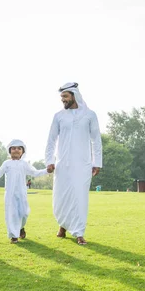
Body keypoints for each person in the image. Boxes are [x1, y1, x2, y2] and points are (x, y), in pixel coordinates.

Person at [45, 82, 102, 245]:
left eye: (65, 96)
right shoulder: (59, 116)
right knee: (61, 197)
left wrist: (96, 162)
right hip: (62, 164)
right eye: (61, 97)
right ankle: (62, 225)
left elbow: (96, 140)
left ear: (74, 95)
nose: (63, 100)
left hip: (83, 164)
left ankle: (79, 232)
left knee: (80, 197)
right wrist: (49, 160)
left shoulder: (90, 115)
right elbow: (51, 140)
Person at [0, 139, 51, 244]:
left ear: (22, 151)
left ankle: (21, 227)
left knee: (24, 213)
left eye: (19, 148)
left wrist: (46, 170)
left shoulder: (25, 164)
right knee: (12, 214)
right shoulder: (7, 163)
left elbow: (35, 173)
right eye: (13, 148)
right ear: (10, 151)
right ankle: (14, 236)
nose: (16, 150)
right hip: (10, 194)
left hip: (22, 194)